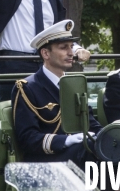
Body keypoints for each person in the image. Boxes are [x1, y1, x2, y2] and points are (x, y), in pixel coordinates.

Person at [11, 20, 102, 166]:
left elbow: (92, 125)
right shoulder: (27, 88)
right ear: (45, 53)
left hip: (78, 154)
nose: (71, 53)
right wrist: (66, 140)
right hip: (46, 161)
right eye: (63, 48)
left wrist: (109, 137)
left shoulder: (73, 85)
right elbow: (27, 139)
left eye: (71, 47)